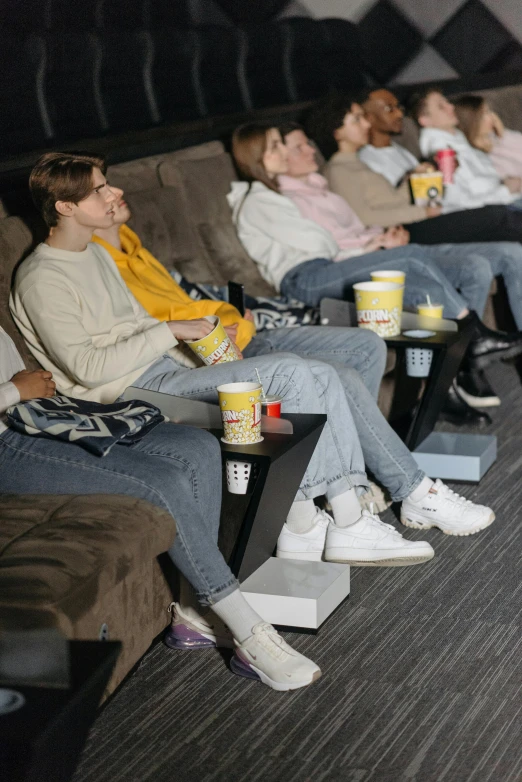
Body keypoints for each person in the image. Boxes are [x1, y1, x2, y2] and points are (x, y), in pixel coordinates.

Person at [9, 154, 496, 588]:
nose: (114, 192)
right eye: (99, 189)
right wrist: (175, 332)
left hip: (164, 371)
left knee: (321, 373)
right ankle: (330, 522)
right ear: (65, 207)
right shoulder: (41, 277)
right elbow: (89, 369)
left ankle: (343, 515)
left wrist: (210, 353)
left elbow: (137, 325)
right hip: (126, 394)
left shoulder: (92, 252)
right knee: (290, 371)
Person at [0, 323, 323, 691]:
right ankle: (249, 631)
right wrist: (15, 389)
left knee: (197, 445)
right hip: (5, 444)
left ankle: (191, 615)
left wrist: (30, 389)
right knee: (163, 482)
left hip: (38, 416)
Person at [228, 122, 522, 399]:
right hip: (305, 277)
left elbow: (327, 238)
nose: (282, 152)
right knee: (410, 256)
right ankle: (474, 336)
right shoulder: (257, 200)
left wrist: (374, 241)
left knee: (426, 281)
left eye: (281, 144)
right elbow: (323, 242)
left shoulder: (275, 194)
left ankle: (450, 381)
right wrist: (374, 244)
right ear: (257, 158)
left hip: (327, 267)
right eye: (274, 147)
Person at [308, 91, 522, 246]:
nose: (366, 124)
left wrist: (417, 177)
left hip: (423, 216)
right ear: (337, 133)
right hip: (409, 228)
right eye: (357, 120)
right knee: (498, 215)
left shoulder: (362, 162)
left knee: (503, 224)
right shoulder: (340, 169)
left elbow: (396, 198)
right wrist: (424, 211)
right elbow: (364, 217)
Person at [410, 87, 522, 212]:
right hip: (495, 210)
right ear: (425, 120)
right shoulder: (441, 152)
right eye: (441, 106)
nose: (451, 107)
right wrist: (505, 191)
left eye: (447, 102)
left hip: (505, 200)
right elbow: (456, 205)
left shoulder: (457, 139)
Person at [453, 94, 522, 182]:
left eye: (489, 111)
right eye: (485, 113)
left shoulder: (496, 136)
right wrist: (503, 139)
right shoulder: (479, 156)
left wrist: (503, 135)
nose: (492, 117)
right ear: (473, 120)